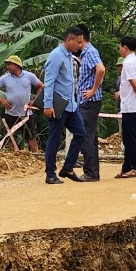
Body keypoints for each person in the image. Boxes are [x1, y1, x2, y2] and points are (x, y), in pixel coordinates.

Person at [43, 27, 90, 184]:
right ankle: (50, 173)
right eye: (78, 42)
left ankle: (68, 167)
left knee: (81, 133)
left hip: (71, 104)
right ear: (69, 39)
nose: (79, 45)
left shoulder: (69, 56)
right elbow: (49, 82)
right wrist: (48, 105)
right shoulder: (56, 56)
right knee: (55, 138)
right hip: (58, 104)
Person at [0, 55, 44, 154]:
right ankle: (13, 157)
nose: (7, 67)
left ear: (16, 65)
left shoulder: (29, 76)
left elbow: (41, 86)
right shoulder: (5, 78)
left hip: (26, 113)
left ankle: (36, 156)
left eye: (9, 64)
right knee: (10, 137)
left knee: (30, 136)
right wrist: (2, 101)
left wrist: (35, 101)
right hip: (11, 113)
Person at [114, 37, 136, 178]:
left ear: (125, 47)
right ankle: (126, 167)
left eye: (120, 47)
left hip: (131, 105)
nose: (119, 49)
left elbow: (135, 84)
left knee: (130, 137)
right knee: (127, 137)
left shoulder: (128, 63)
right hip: (132, 105)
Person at [74, 24, 105, 181]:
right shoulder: (85, 53)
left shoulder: (90, 51)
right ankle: (92, 172)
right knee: (89, 136)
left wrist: (93, 89)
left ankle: (90, 173)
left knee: (85, 135)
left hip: (90, 101)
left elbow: (101, 69)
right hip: (86, 101)